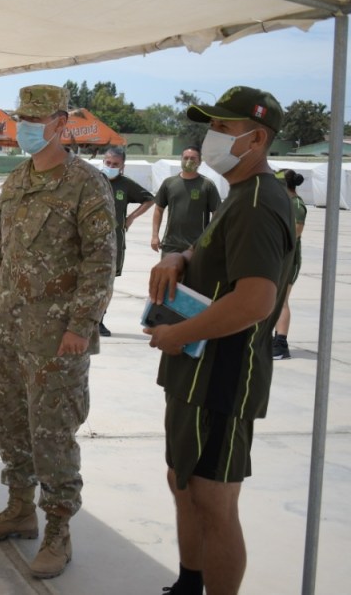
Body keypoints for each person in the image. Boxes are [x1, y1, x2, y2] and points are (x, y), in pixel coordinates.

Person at [145, 86, 295, 595]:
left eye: (222, 128)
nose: (209, 137)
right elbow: (218, 258)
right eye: (210, 126)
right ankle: (190, 584)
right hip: (196, 370)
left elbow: (255, 301)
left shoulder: (258, 202)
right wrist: (178, 258)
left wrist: (177, 334)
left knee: (214, 499)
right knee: (183, 481)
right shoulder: (240, 196)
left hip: (224, 376)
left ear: (256, 139)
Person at [0, 84, 115, 580]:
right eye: (21, 119)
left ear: (61, 123)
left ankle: (58, 531)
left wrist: (82, 324)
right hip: (10, 328)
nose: (25, 128)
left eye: (36, 119)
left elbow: (101, 262)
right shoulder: (16, 180)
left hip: (57, 338)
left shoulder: (86, 184)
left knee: (52, 433)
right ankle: (18, 509)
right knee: (8, 421)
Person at [99, 146, 154, 336]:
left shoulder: (126, 185)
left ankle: (99, 320)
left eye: (115, 164)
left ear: (122, 166)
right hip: (90, 240)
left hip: (115, 241)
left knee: (107, 283)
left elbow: (149, 199)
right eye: (108, 163)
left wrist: (130, 218)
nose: (111, 166)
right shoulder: (92, 181)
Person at [150, 146, 221, 256]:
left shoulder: (207, 185)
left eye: (193, 158)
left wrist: (210, 237)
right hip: (171, 245)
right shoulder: (169, 183)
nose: (189, 161)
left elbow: (217, 214)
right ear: (181, 160)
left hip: (197, 246)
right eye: (186, 158)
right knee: (168, 273)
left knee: (196, 274)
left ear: (199, 162)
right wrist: (155, 235)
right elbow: (158, 209)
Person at [272, 169, 307, 360]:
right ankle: (273, 340)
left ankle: (281, 344)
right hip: (277, 258)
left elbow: (296, 231)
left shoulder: (296, 204)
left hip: (289, 260)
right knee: (272, 300)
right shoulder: (284, 202)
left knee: (281, 301)